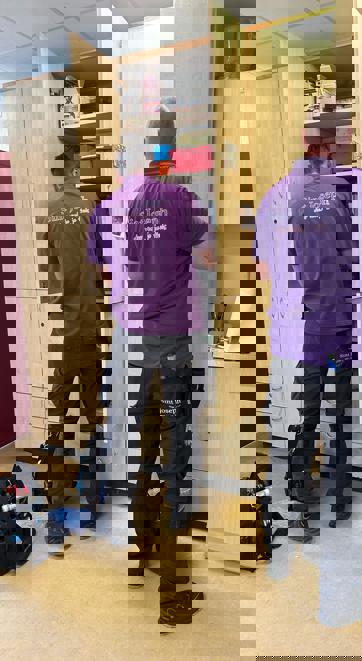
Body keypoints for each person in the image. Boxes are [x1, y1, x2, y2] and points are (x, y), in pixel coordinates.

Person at [100, 102, 213, 633]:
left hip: (136, 351)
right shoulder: (182, 200)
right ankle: (173, 595)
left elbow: (106, 264)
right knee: (174, 469)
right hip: (173, 350)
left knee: (144, 456)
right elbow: (207, 257)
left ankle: (140, 552)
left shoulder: (120, 202)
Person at [255, 114, 359, 543]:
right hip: (342, 325)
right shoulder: (348, 190)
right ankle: (339, 503)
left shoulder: (280, 194)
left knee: (307, 417)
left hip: (304, 328)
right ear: (329, 145)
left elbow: (266, 268)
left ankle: (299, 510)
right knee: (341, 417)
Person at [41, 141, 106, 555]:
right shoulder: (93, 207)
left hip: (65, 334)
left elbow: (50, 270)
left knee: (59, 422)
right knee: (93, 418)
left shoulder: (50, 210)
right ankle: (93, 506)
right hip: (91, 330)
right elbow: (104, 266)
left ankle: (55, 516)